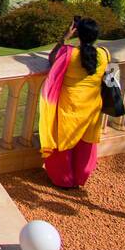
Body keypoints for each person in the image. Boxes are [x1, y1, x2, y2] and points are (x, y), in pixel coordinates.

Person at [39, 16, 109, 189]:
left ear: (77, 33)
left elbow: (52, 59)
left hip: (70, 104)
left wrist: (64, 38)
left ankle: (64, 180)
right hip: (92, 106)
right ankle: (80, 177)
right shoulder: (104, 54)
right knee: (85, 143)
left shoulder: (69, 53)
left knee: (64, 140)